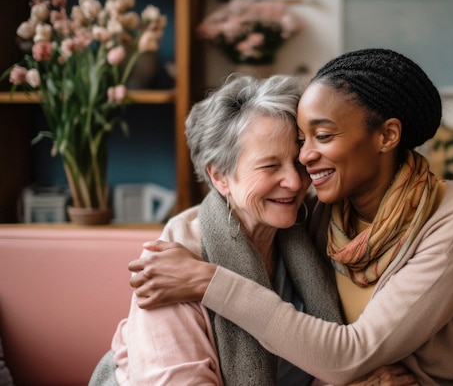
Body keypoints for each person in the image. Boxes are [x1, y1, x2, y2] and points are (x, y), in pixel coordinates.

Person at [131, 48, 453, 385]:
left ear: (387, 136)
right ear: (218, 177)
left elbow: (350, 353)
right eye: (300, 143)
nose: (300, 170)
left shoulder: (452, 212)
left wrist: (210, 283)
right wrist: (133, 344)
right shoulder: (318, 216)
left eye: (318, 139)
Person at [90, 74, 422, 386]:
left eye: (299, 162)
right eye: (270, 166)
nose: (294, 183)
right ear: (219, 176)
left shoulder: (310, 233)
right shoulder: (171, 266)